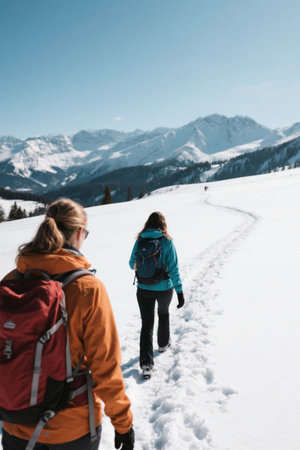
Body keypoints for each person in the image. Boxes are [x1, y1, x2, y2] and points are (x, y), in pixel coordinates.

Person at [1, 198, 134, 450]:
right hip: (71, 429)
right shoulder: (87, 289)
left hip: (15, 424)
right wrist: (123, 423)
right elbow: (106, 368)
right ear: (79, 233)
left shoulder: (11, 282)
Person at [129, 212, 185, 375]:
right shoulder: (167, 241)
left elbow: (131, 263)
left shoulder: (140, 240)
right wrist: (179, 291)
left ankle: (146, 364)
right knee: (163, 314)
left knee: (147, 323)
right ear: (163, 224)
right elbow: (174, 268)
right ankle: (162, 344)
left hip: (143, 289)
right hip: (164, 289)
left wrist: (145, 270)